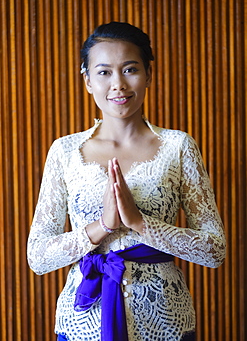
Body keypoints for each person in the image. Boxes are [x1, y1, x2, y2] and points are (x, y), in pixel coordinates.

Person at [27, 21, 226, 341]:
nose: (118, 84)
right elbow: (37, 257)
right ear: (87, 79)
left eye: (130, 69)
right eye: (104, 72)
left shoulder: (178, 146)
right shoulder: (64, 151)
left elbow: (215, 250)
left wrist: (139, 223)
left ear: (149, 73)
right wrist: (102, 226)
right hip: (83, 321)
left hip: (165, 320)